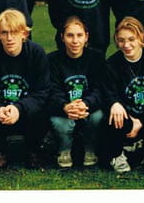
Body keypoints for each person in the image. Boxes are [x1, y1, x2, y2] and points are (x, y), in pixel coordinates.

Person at [0, 9, 51, 170]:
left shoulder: (36, 53)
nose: (9, 38)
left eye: (14, 32)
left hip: (26, 111)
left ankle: (33, 150)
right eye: (4, 33)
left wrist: (19, 108)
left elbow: (42, 91)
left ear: (24, 34)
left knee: (43, 109)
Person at [101, 16, 144, 174]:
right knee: (114, 117)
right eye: (121, 40)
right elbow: (109, 92)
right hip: (127, 116)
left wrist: (142, 120)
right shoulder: (112, 64)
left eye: (131, 39)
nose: (126, 45)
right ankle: (117, 155)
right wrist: (115, 103)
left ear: (141, 37)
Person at [45, 16, 105, 168]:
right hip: (65, 108)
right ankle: (64, 149)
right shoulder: (52, 60)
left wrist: (86, 104)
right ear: (62, 37)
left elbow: (99, 89)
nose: (75, 41)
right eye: (70, 35)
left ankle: (90, 148)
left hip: (87, 107)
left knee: (98, 116)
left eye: (79, 35)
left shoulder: (96, 58)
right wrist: (65, 106)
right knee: (60, 122)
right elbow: (52, 90)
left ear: (86, 37)